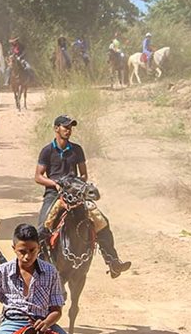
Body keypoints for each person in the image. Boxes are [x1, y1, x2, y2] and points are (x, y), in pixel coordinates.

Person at [35, 115, 131, 278]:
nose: (68, 130)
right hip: (54, 194)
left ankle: (113, 261)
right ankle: (35, 266)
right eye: (65, 127)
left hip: (75, 193)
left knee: (101, 221)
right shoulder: (47, 150)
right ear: (56, 128)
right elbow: (38, 176)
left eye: (70, 127)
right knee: (43, 226)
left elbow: (84, 174)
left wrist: (77, 184)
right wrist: (55, 184)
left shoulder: (77, 150)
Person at [0, 223, 69, 334]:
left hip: (44, 324)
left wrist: (46, 322)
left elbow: (56, 310)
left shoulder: (51, 272)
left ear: (39, 247)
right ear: (14, 248)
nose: (27, 256)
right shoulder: (1, 272)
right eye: (22, 251)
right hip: (12, 323)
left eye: (32, 250)